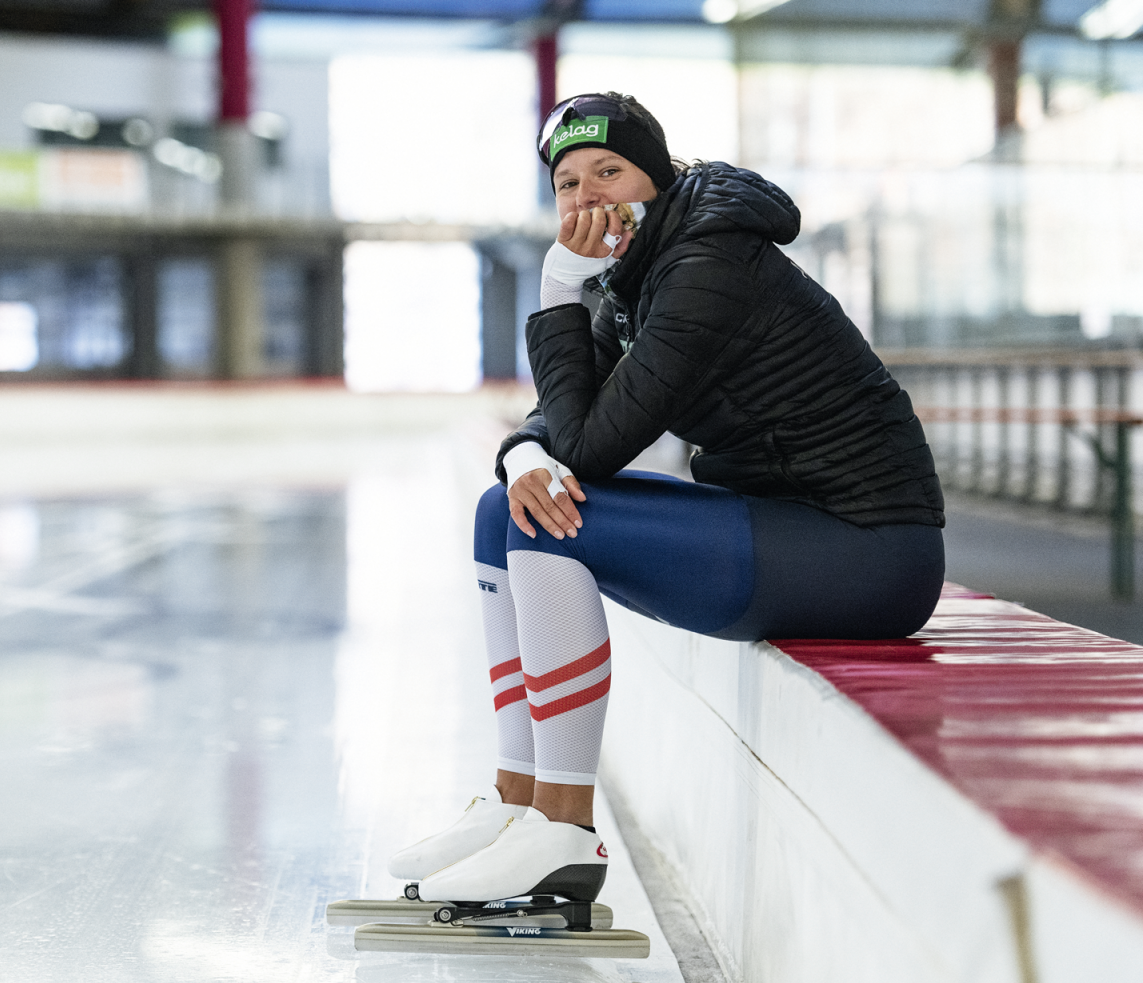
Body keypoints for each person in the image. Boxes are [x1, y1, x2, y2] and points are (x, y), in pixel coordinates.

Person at [391, 92, 945, 905]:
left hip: (868, 549)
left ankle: (564, 830)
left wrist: (556, 292)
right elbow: (560, 422)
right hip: (795, 526)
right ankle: (518, 806)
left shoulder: (706, 264)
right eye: (568, 185)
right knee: (501, 509)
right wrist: (518, 458)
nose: (587, 200)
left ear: (653, 176)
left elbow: (592, 446)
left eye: (608, 172)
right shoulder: (644, 269)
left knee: (558, 528)